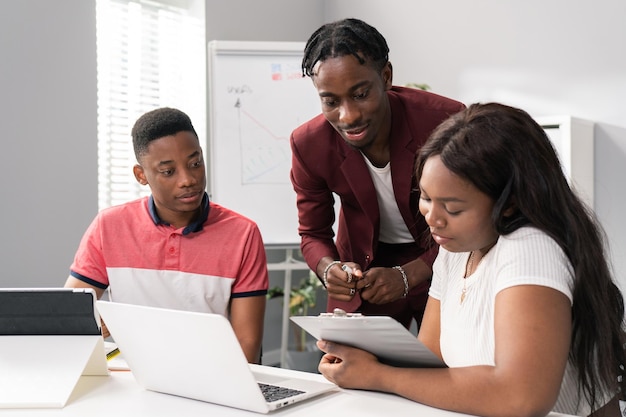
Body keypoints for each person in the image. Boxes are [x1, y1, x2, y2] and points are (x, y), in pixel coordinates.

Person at [316, 102, 626, 416]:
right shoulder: (455, 249)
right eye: (425, 197)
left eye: (452, 207)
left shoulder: (530, 249)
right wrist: (364, 356)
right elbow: (432, 359)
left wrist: (378, 375)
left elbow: (521, 398)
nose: (432, 218)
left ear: (509, 203)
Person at [290, 18, 465, 329]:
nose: (348, 116)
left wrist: (411, 273)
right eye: (330, 101)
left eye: (360, 94)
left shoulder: (445, 122)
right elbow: (313, 234)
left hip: (444, 256)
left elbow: (473, 216)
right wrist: (330, 268)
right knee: (345, 365)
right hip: (365, 269)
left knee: (455, 363)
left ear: (386, 77)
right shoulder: (309, 144)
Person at [65, 107, 268, 364]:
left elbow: (246, 344)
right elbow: (69, 317)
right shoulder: (109, 226)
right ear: (141, 175)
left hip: (213, 379)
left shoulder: (243, 234)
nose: (188, 179)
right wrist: (91, 320)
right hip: (134, 380)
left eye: (195, 163)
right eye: (168, 172)